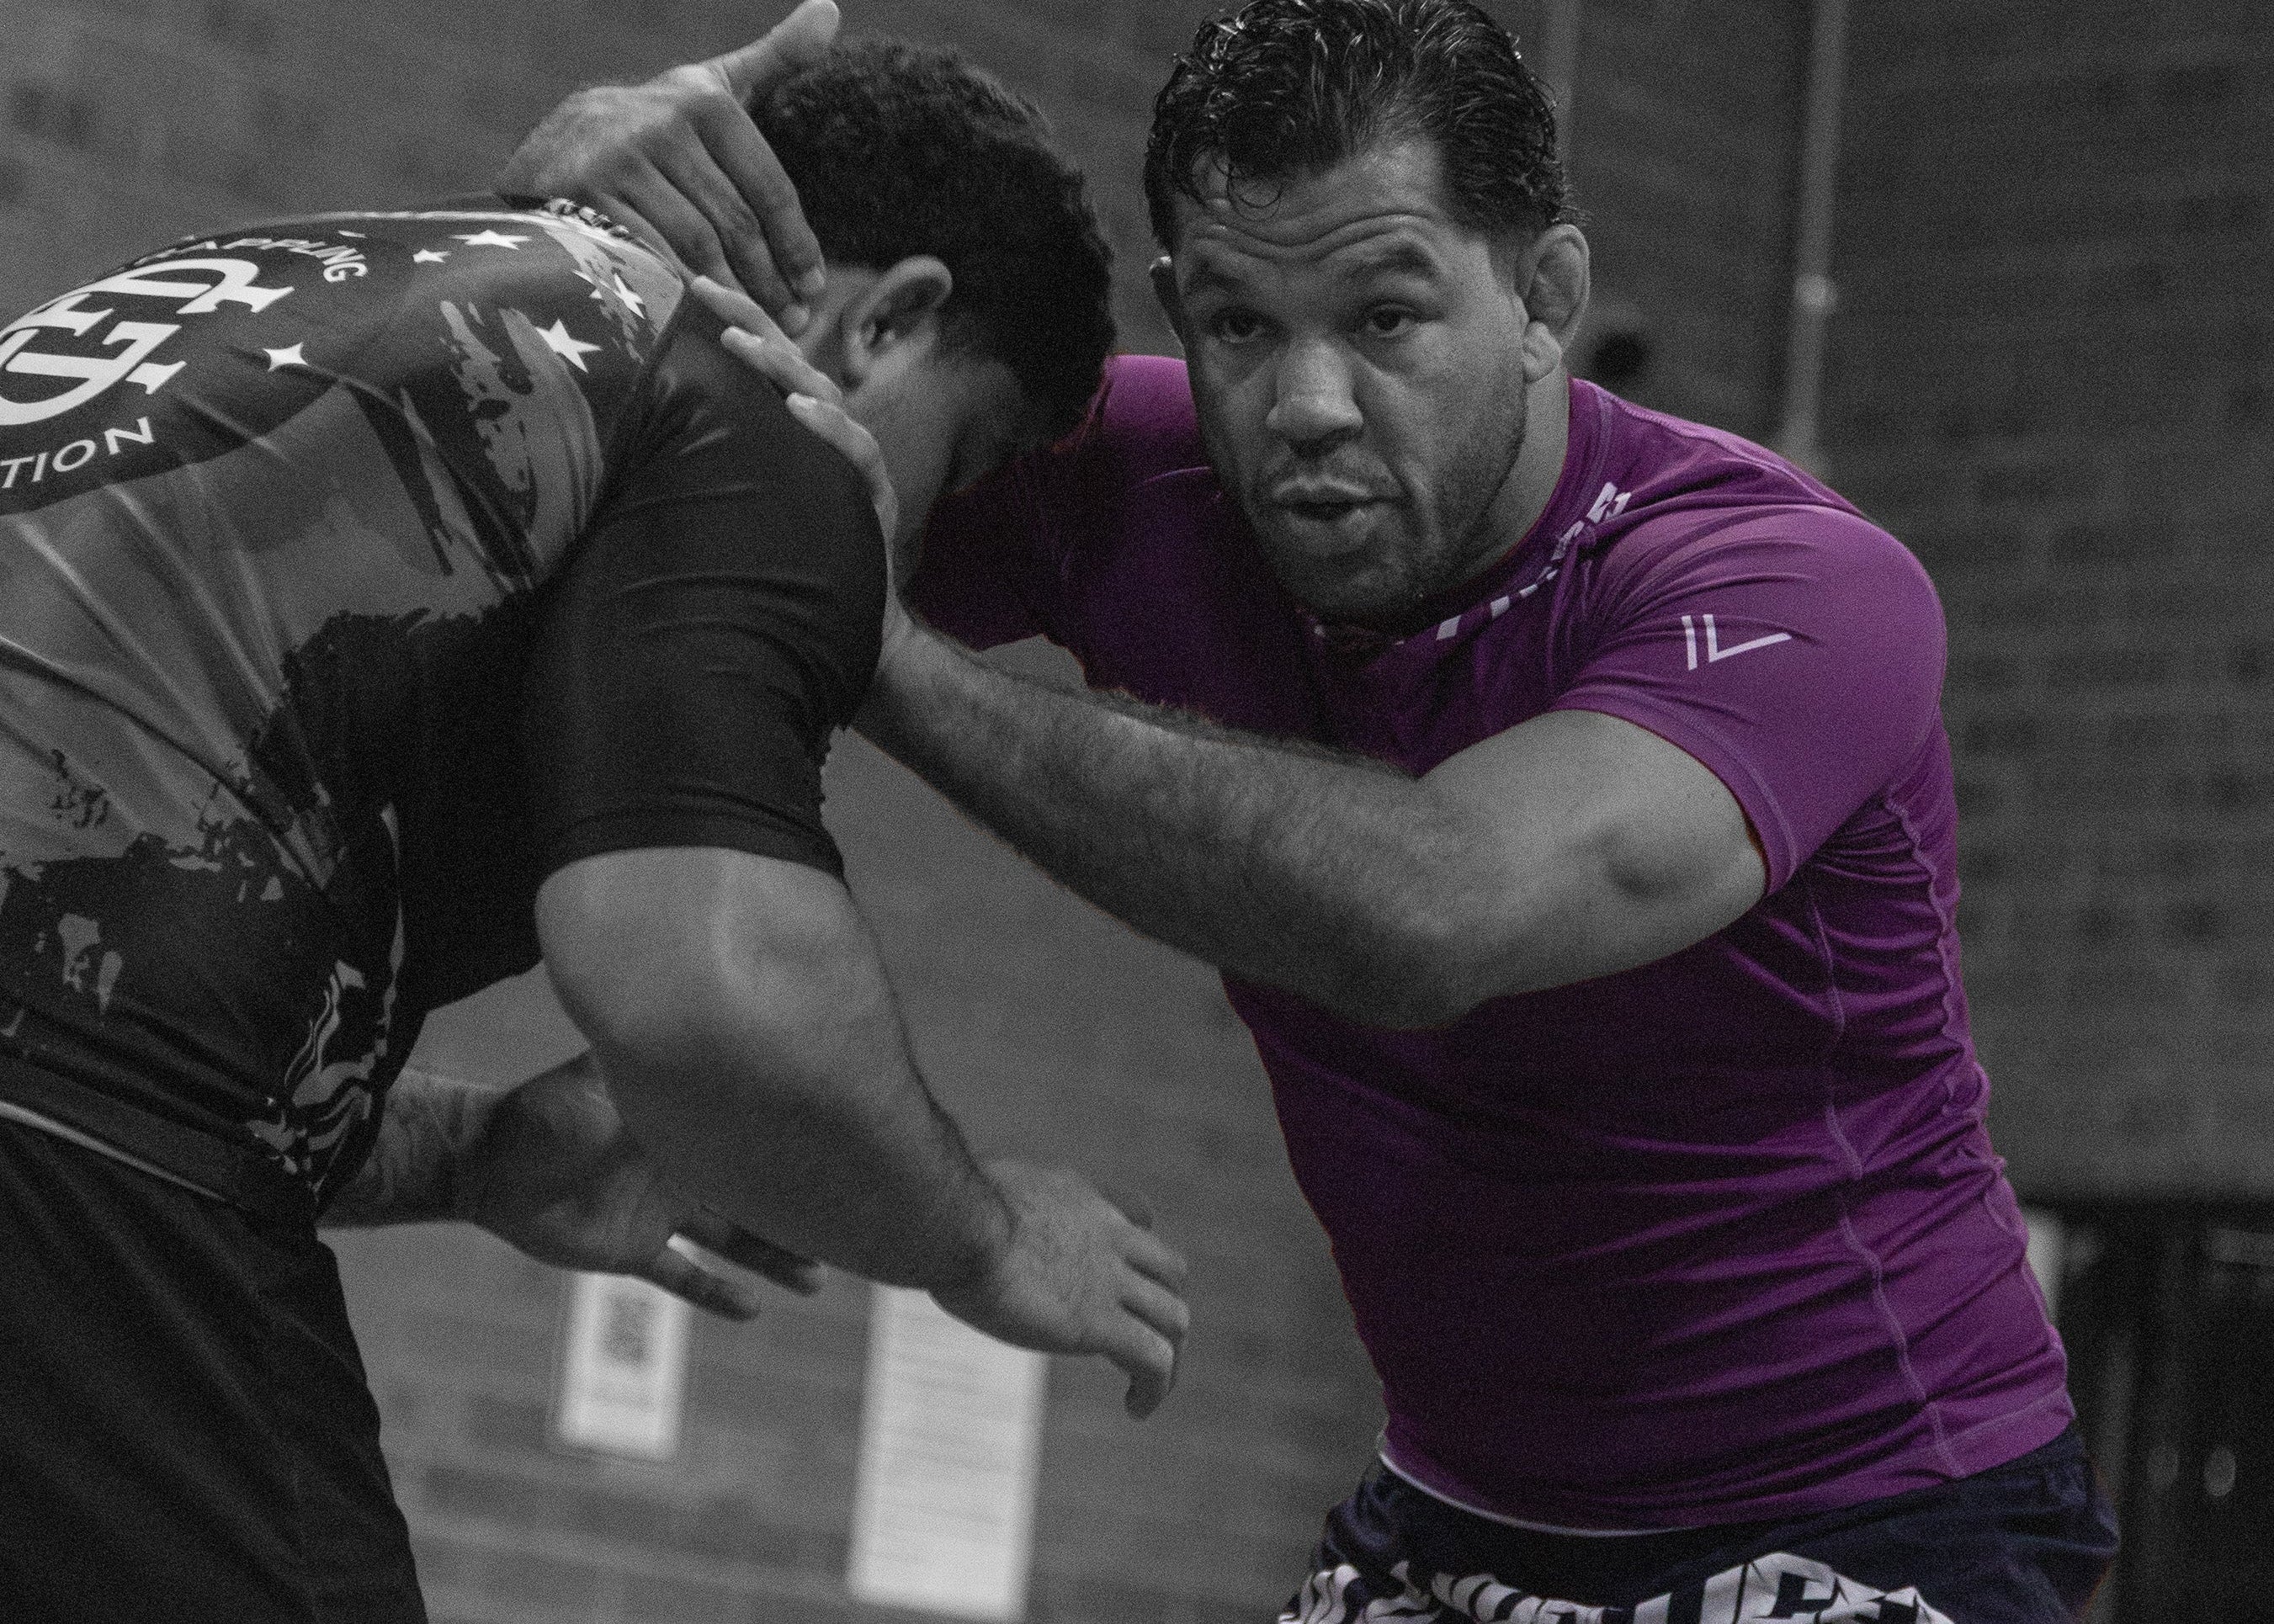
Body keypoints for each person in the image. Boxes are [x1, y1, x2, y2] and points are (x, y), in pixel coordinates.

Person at [510, 1, 2123, 1620]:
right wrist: (576, 222)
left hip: (1877, 1515)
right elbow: (685, 474)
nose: (1306, 406)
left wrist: (895, 665)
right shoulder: (1149, 479)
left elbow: (1434, 910)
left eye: (1386, 317)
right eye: (1236, 325)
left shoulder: (1787, 586)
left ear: (1542, 299)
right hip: (1453, 1520)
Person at [0, 32, 1187, 1622]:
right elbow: (700, 991)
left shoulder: (271, 281)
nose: (914, 542)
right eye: (957, 467)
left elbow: (128, 973)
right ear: (885, 316)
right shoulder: (748, 401)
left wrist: (481, 1151)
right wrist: (980, 1239)